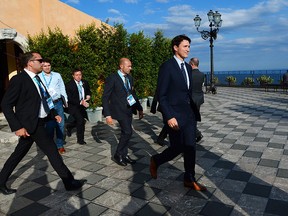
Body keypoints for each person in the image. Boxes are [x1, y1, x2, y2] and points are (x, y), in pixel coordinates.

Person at [0, 52, 86, 195]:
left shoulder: (37, 79)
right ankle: (69, 181)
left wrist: (54, 114)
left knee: (17, 154)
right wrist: (17, 127)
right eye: (39, 60)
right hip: (31, 125)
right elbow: (6, 104)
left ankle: (1, 181)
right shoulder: (19, 79)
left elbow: (44, 99)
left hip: (41, 121)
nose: (42, 63)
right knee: (53, 152)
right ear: (30, 63)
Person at [149, 35, 207, 191]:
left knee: (191, 147)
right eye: (185, 46)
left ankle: (190, 178)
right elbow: (162, 95)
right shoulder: (167, 67)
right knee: (177, 147)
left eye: (189, 46)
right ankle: (156, 160)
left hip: (189, 114)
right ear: (176, 47)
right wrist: (169, 116)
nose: (188, 49)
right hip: (174, 115)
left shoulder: (188, 68)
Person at [102, 58, 144, 166]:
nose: (131, 68)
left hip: (128, 109)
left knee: (126, 133)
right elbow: (105, 97)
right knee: (128, 132)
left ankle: (124, 155)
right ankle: (118, 154)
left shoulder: (129, 78)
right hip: (119, 110)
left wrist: (139, 108)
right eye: (128, 66)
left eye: (131, 66)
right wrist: (107, 115)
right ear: (121, 66)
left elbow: (133, 94)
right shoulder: (112, 78)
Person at [39, 58, 68, 154]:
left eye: (48, 65)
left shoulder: (57, 75)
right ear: (42, 67)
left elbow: (62, 87)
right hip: (47, 104)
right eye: (45, 66)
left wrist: (65, 100)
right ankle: (50, 146)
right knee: (50, 126)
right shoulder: (38, 77)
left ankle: (60, 145)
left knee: (61, 124)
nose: (47, 67)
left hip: (58, 102)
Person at [65, 69, 91, 145]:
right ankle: (80, 139)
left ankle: (70, 126)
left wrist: (88, 95)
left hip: (82, 105)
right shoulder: (69, 85)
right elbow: (69, 98)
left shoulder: (84, 82)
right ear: (73, 76)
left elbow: (88, 90)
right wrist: (80, 102)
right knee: (80, 121)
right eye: (76, 75)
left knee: (80, 120)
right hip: (73, 106)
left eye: (80, 75)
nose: (79, 77)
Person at [189, 57, 204, 143]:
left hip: (191, 99)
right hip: (199, 98)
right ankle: (197, 134)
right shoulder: (202, 74)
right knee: (194, 118)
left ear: (192, 64)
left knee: (190, 119)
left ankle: (196, 134)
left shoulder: (189, 74)